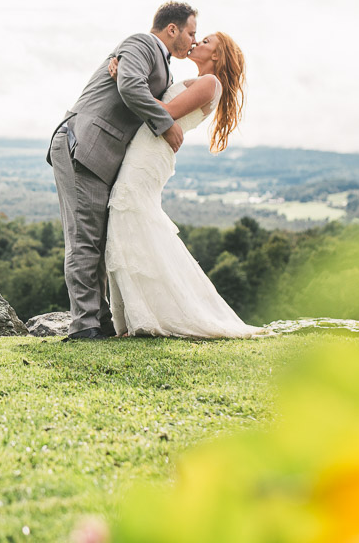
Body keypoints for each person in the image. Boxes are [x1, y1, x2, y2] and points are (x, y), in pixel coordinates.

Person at [47, 2, 195, 340]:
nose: (192, 40)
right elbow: (130, 86)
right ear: (171, 29)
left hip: (102, 154)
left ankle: (100, 320)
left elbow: (131, 86)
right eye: (190, 32)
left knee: (97, 240)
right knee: (85, 239)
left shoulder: (163, 65)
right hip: (82, 145)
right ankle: (84, 325)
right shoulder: (141, 43)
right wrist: (165, 124)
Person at [104, 31, 263, 337]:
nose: (196, 42)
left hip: (150, 154)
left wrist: (123, 78)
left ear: (216, 56)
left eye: (205, 42)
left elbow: (164, 114)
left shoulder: (210, 83)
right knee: (128, 220)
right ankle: (134, 315)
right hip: (147, 149)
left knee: (128, 217)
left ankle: (149, 314)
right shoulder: (200, 81)